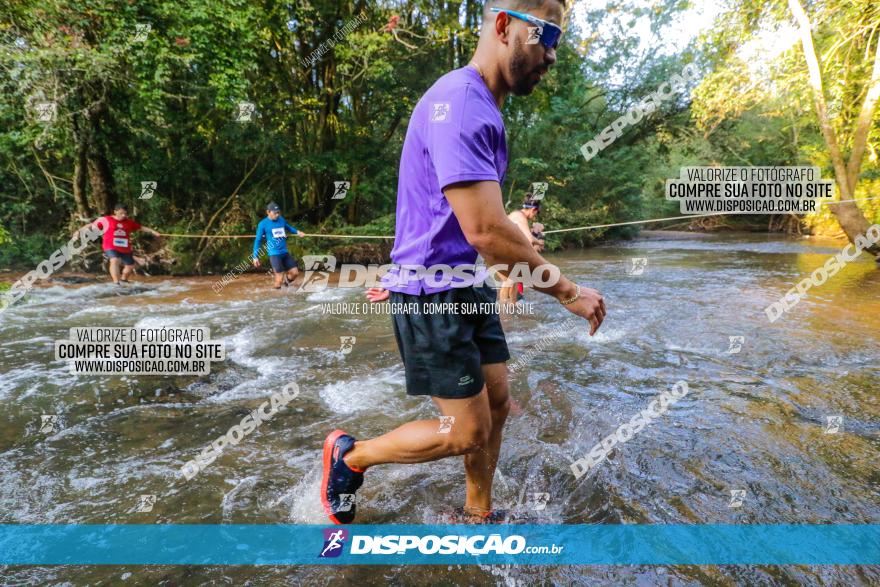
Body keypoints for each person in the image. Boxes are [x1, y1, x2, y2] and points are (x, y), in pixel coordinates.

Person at [320, 0, 605, 525]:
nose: (553, 56)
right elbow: (487, 232)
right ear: (504, 26)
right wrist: (567, 291)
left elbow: (472, 227)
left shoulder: (481, 105)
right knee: (467, 431)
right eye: (548, 38)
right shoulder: (461, 103)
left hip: (462, 285)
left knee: (496, 408)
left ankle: (478, 513)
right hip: (432, 297)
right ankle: (351, 457)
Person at [95, 203, 160, 285]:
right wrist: (79, 231)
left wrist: (153, 232)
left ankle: (124, 280)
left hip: (124, 247)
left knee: (130, 266)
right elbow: (92, 225)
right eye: (121, 213)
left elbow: (141, 228)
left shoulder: (129, 222)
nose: (123, 215)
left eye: (125, 213)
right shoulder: (107, 219)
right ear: (115, 212)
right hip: (110, 245)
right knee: (114, 260)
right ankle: (116, 283)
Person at [499, 196, 544, 304]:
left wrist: (537, 243)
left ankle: (511, 308)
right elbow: (529, 239)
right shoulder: (520, 217)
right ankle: (504, 310)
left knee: (514, 280)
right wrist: (538, 243)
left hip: (503, 250)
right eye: (535, 214)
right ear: (533, 210)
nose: (534, 217)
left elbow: (525, 237)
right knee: (509, 281)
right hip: (501, 251)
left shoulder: (516, 215)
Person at [251, 202, 305, 289]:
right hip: (274, 254)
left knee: (295, 273)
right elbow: (258, 240)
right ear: (268, 212)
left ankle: (286, 284)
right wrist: (255, 256)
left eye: (278, 212)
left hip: (284, 252)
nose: (277, 215)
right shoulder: (263, 224)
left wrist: (297, 232)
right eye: (274, 213)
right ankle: (277, 298)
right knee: (279, 280)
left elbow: (288, 227)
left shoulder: (281, 219)